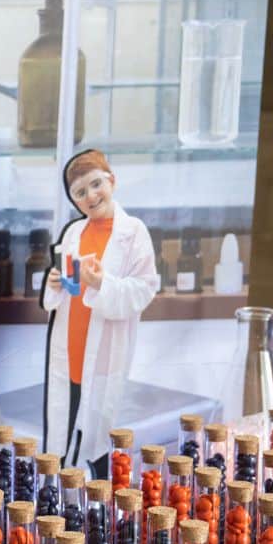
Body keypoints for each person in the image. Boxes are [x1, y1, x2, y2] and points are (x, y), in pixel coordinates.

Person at [39, 150, 158, 476]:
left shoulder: (133, 232)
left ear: (112, 181)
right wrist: (54, 283)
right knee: (63, 433)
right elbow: (65, 290)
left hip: (104, 355)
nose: (91, 196)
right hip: (69, 352)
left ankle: (100, 507)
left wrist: (102, 282)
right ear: (75, 202)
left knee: (100, 439)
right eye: (80, 193)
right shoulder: (73, 233)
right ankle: (61, 504)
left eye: (96, 185)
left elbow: (144, 289)